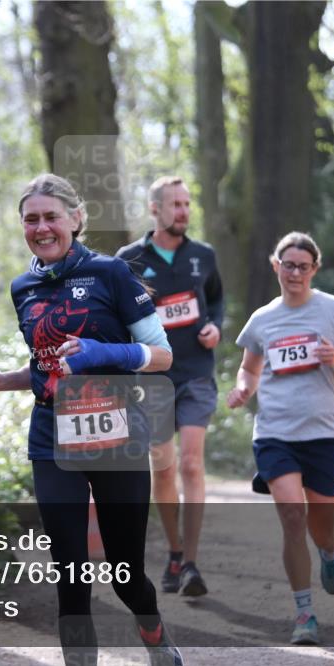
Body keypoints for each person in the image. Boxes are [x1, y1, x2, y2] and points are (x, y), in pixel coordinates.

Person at [0, 174, 183, 666]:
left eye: (52, 216)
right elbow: (48, 367)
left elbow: (163, 356)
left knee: (125, 574)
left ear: (76, 219)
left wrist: (103, 351)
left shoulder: (111, 274)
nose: (41, 227)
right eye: (31, 219)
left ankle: (153, 631)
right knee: (70, 572)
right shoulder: (22, 287)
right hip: (53, 436)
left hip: (117, 433)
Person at [226, 232, 334, 645]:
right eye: (287, 265)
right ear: (276, 266)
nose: (294, 273)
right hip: (275, 432)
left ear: (314, 270)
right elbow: (250, 369)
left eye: (302, 266)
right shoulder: (262, 319)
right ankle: (304, 612)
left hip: (324, 432)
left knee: (321, 529)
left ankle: (329, 549)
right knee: (292, 518)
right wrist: (243, 389)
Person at [116, 176, 223, 598]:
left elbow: (215, 301)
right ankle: (175, 552)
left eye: (187, 203)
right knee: (163, 467)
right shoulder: (129, 259)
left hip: (196, 371)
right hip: (152, 380)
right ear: (155, 209)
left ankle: (193, 563)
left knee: (192, 465)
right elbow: (119, 314)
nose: (184, 211)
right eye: (175, 204)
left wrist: (216, 325)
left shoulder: (204, 255)